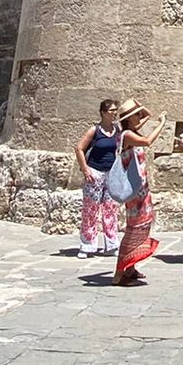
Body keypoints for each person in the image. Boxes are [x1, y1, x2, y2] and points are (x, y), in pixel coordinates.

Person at [112, 102, 164, 287]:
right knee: (134, 229)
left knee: (142, 225)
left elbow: (147, 114)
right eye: (136, 115)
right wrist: (162, 123)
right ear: (129, 119)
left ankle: (130, 267)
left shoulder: (130, 131)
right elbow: (148, 141)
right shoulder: (128, 135)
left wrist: (137, 105)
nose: (139, 116)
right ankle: (120, 274)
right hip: (135, 192)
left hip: (141, 188)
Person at [74, 101, 124, 256]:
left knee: (110, 210)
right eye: (111, 110)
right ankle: (87, 245)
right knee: (90, 210)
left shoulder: (117, 130)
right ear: (103, 112)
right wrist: (85, 169)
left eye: (115, 110)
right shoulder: (94, 130)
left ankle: (112, 245)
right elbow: (79, 148)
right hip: (95, 173)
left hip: (111, 173)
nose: (114, 113)